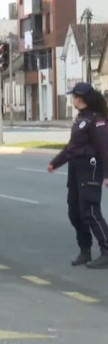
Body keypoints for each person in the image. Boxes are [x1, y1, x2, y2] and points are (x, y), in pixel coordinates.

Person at [49, 82, 108, 269]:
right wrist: (55, 163)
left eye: (74, 96)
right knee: (75, 212)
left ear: (80, 98)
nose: (72, 99)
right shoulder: (80, 119)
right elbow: (72, 148)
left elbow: (104, 148)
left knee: (89, 211)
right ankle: (85, 250)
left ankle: (107, 250)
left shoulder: (96, 120)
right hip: (75, 169)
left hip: (90, 168)